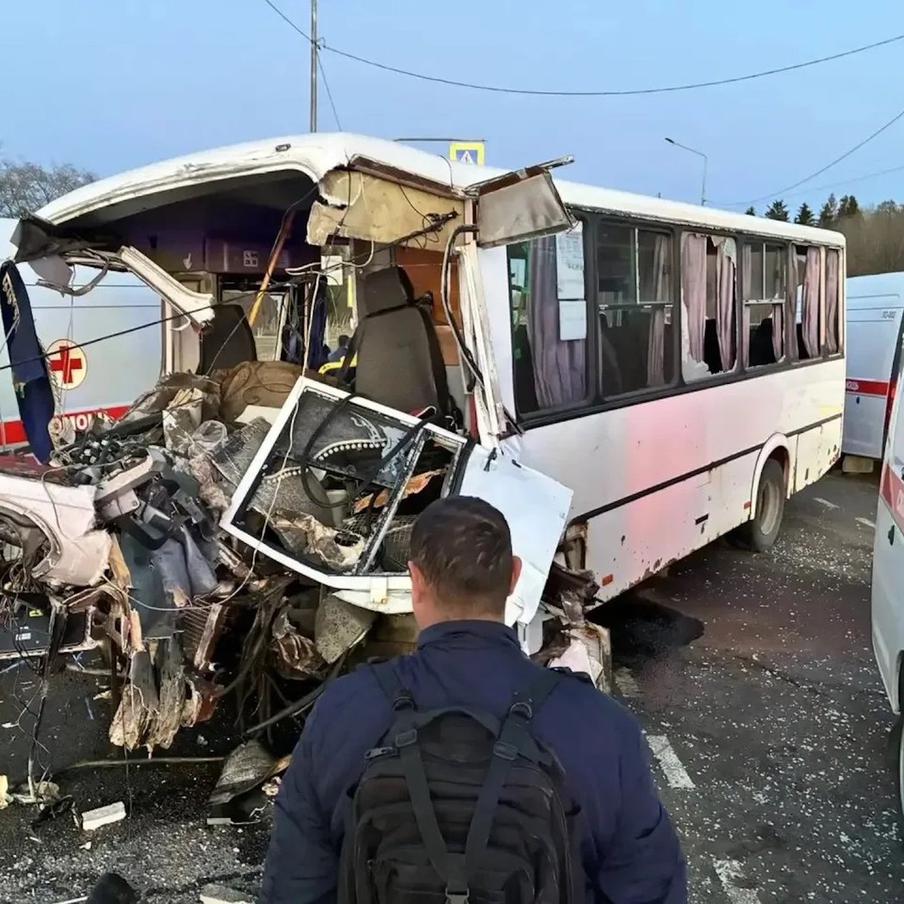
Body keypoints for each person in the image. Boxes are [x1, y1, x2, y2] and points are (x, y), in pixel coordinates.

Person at [261, 497, 687, 904]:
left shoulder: (344, 710)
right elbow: (649, 888)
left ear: (416, 580)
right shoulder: (601, 727)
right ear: (515, 576)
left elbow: (295, 886)